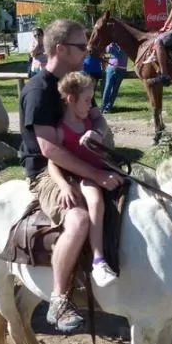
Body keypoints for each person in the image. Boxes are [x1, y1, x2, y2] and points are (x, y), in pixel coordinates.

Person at [19, 19, 123, 332]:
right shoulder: (38, 92)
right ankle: (59, 299)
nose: (87, 51)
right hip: (47, 172)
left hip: (83, 161)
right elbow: (49, 150)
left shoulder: (78, 81)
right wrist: (96, 175)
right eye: (82, 46)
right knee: (77, 218)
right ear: (61, 49)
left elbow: (98, 117)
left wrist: (98, 134)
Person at [48, 71, 118, 288]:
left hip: (97, 169)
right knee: (95, 201)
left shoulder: (89, 122)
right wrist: (63, 186)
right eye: (87, 100)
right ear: (71, 100)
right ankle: (98, 259)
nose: (91, 105)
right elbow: (52, 162)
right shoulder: (61, 131)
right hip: (80, 176)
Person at [101, 41, 127, 112]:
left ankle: (108, 107)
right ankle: (103, 107)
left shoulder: (125, 43)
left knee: (115, 89)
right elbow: (107, 50)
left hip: (122, 68)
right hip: (111, 68)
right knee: (108, 87)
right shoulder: (111, 44)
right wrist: (111, 45)